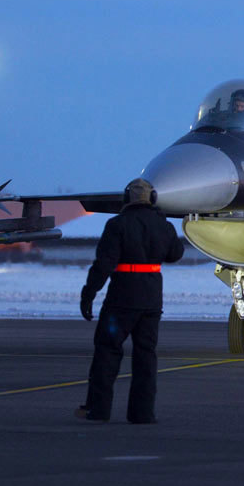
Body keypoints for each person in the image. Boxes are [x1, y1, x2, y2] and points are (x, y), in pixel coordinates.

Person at [76, 178, 184, 423]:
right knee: (146, 356)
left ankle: (98, 409)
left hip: (121, 300)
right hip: (151, 301)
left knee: (107, 351)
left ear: (126, 199)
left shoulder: (117, 225)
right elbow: (175, 254)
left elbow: (104, 264)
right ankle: (142, 413)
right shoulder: (163, 225)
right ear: (152, 198)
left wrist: (88, 293)